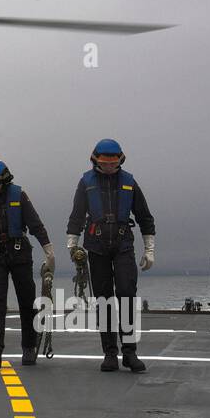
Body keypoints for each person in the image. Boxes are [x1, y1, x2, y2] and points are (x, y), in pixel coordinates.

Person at [66, 139, 156, 372]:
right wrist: (72, 244)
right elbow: (76, 215)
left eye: (113, 163)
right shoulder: (86, 182)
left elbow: (145, 216)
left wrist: (149, 249)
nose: (108, 167)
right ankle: (109, 354)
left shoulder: (129, 182)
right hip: (96, 247)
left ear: (119, 161)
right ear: (96, 160)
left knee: (127, 292)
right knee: (104, 299)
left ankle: (130, 352)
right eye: (104, 163)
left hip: (123, 244)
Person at [0, 159, 54, 369]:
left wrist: (48, 249)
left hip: (20, 253)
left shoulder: (19, 195)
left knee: (26, 301)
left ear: (5, 179)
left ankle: (29, 347)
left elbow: (35, 224)